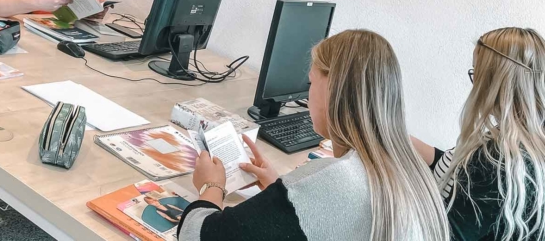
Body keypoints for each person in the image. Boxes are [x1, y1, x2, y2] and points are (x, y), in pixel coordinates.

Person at [178, 30, 450, 241]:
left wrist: (210, 187)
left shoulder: (337, 180)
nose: (308, 95)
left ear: (333, 89)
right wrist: (282, 192)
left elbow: (196, 235)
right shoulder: (412, 170)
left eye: (311, 82)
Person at [412, 27, 545, 240]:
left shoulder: (495, 160)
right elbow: (452, 165)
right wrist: (396, 139)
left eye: (477, 73)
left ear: (494, 82)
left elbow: (444, 235)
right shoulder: (526, 141)